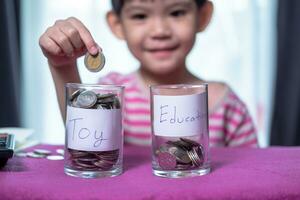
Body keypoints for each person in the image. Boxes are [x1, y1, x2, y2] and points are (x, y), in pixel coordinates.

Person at [39, 0, 258, 147]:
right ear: (117, 25)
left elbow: (251, 177)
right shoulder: (112, 93)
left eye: (177, 12)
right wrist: (63, 67)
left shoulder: (228, 106)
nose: (160, 31)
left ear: (203, 16)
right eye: (140, 16)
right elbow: (84, 140)